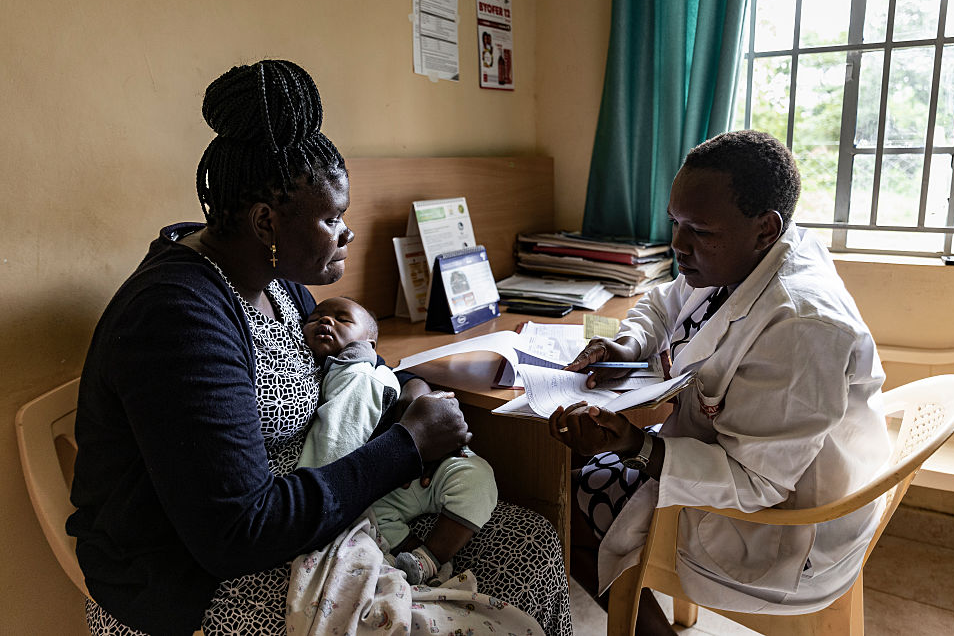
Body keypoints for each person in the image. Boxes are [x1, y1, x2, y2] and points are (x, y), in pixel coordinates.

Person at [67, 59, 571, 636]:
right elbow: (238, 533)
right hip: (198, 575)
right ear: (265, 223)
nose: (347, 233)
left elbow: (356, 365)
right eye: (333, 219)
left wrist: (411, 395)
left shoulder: (275, 283)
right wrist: (408, 445)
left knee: (531, 546)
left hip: (315, 510)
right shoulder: (178, 319)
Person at [550, 130, 889, 635]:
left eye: (699, 231)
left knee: (561, 506)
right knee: (570, 466)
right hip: (752, 471)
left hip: (777, 530)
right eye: (675, 222)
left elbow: (757, 483)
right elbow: (663, 301)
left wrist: (636, 446)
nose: (678, 245)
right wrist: (629, 343)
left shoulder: (801, 325)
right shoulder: (745, 258)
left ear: (765, 228)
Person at [296, 295, 498, 584]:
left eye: (343, 319)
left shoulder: (360, 374)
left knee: (477, 477)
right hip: (384, 488)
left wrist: (315, 503)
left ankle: (432, 557)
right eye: (315, 318)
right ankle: (416, 563)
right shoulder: (335, 369)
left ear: (368, 343)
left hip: (428, 469)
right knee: (376, 518)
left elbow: (333, 447)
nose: (325, 320)